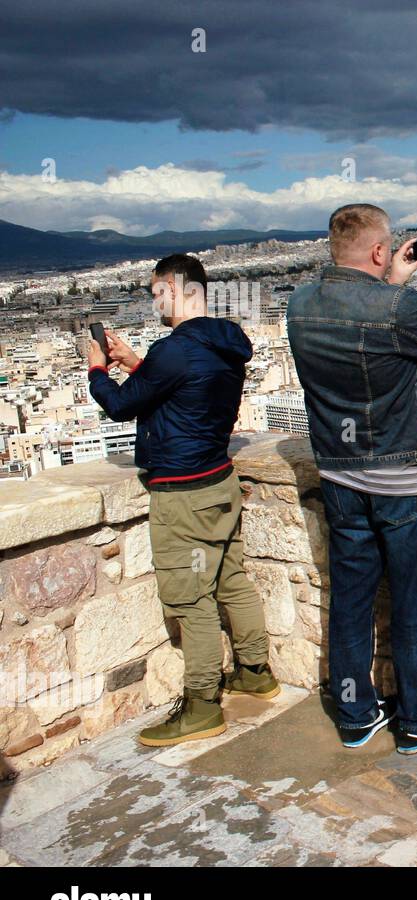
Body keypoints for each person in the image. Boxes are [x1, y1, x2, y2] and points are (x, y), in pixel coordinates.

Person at [287, 203, 417, 755]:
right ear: (379, 251)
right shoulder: (398, 308)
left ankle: (355, 712)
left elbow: (361, 337)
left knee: (350, 599)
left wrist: (392, 281)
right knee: (416, 602)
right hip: (401, 475)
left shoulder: (300, 304)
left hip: (339, 476)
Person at [88, 253, 277, 747]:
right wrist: (136, 362)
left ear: (176, 287)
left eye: (156, 293)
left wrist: (97, 372)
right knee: (232, 580)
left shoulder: (174, 349)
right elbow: (181, 386)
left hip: (182, 491)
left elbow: (121, 405)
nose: (154, 303)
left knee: (189, 600)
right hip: (219, 481)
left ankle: (201, 706)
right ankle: (255, 671)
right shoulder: (222, 342)